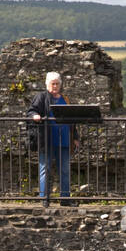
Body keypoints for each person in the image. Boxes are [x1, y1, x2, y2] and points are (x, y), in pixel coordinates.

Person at [25, 71, 78, 203]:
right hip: (47, 140)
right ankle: (44, 199)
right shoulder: (41, 97)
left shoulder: (65, 99)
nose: (55, 86)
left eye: (57, 84)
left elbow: (72, 119)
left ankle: (65, 199)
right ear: (47, 84)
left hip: (64, 140)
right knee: (45, 169)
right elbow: (31, 111)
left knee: (65, 170)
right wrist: (34, 116)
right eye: (52, 84)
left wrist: (75, 137)